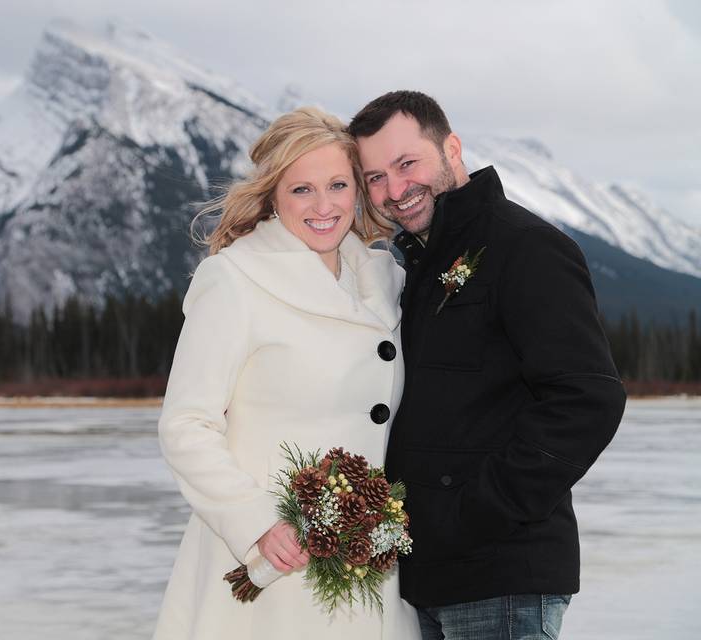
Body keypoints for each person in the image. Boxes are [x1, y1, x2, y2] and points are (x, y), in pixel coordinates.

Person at [348, 90, 627, 640]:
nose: (395, 190)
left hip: (502, 578)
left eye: (407, 164)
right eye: (375, 177)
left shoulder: (524, 247)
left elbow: (588, 398)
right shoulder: (418, 265)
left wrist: (473, 514)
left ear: (451, 148)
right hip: (423, 579)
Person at [152, 107, 421, 639]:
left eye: (338, 185)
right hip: (275, 561)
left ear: (358, 191)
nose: (324, 207)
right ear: (274, 195)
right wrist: (254, 523)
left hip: (369, 567)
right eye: (302, 190)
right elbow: (185, 425)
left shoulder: (384, 278)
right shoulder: (234, 279)